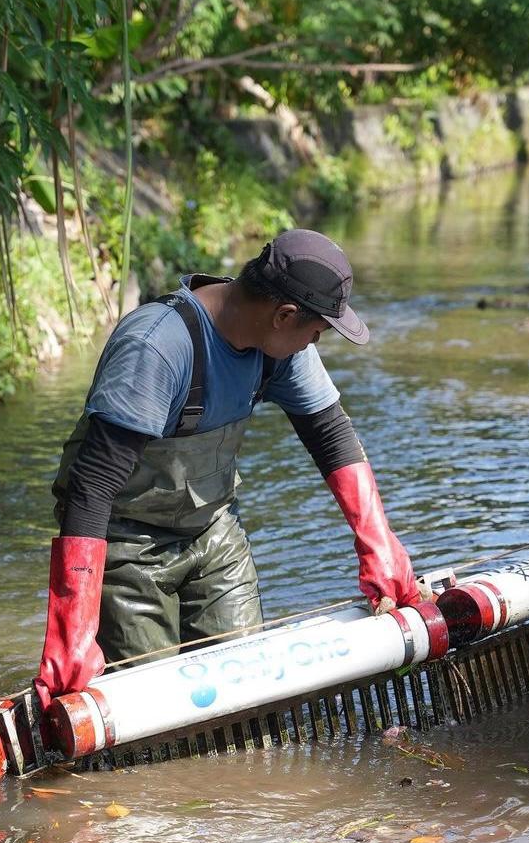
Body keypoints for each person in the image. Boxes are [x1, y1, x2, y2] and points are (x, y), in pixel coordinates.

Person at [33, 228, 423, 711]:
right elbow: (92, 486)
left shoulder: (279, 349)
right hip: (125, 544)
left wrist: (379, 545)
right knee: (155, 707)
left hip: (213, 531)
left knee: (248, 691)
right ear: (284, 315)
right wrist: (72, 630)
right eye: (317, 330)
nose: (316, 341)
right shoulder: (158, 346)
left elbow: (330, 435)